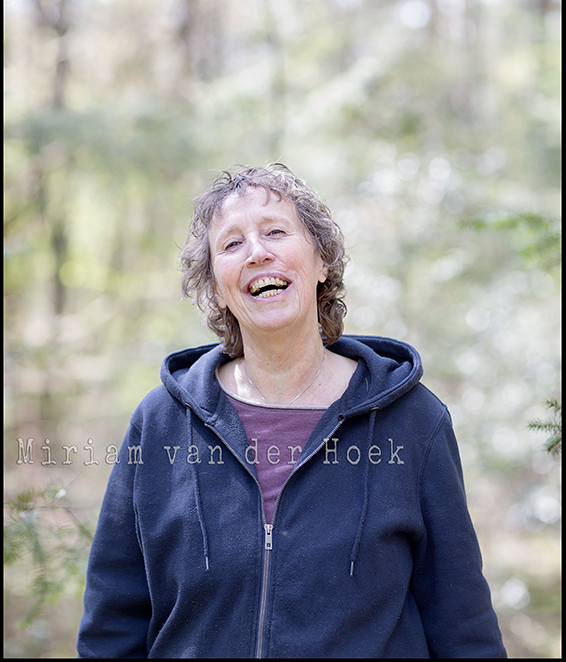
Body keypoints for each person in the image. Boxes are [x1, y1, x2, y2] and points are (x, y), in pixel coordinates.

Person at [77, 163, 507, 658]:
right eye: (232, 244)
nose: (257, 252)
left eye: (276, 232)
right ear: (217, 287)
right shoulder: (160, 422)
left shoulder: (413, 420)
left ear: (321, 261)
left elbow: (462, 621)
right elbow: (112, 624)